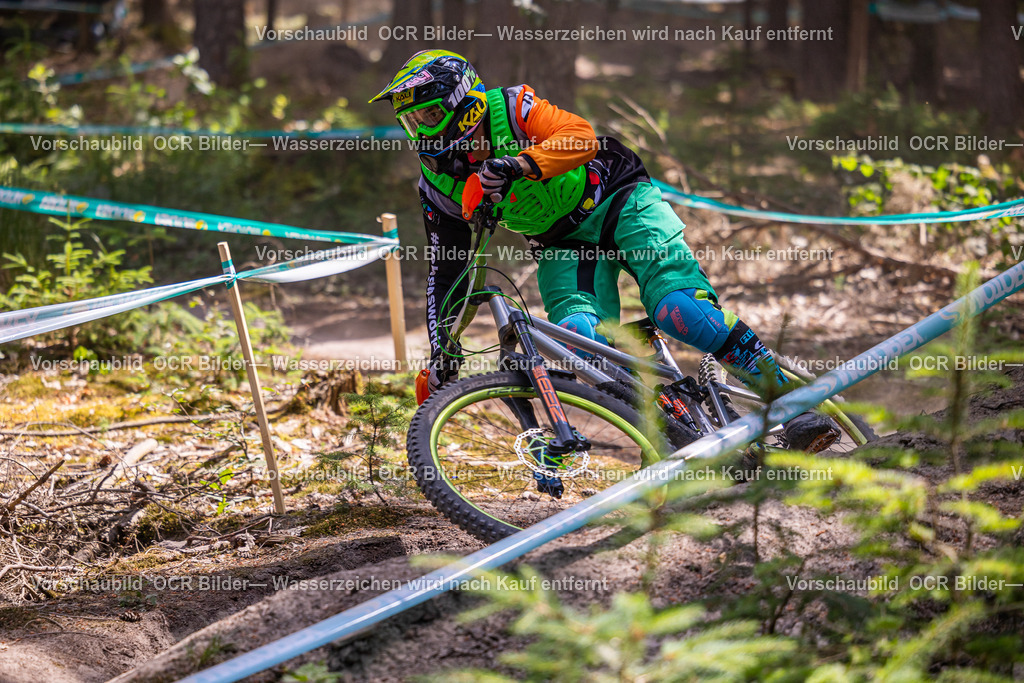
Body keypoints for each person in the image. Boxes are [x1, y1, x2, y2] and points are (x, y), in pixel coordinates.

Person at [370, 49, 839, 452]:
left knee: (680, 311)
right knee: (579, 340)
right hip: (563, 242)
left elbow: (580, 137)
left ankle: (794, 404)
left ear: (463, 105)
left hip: (620, 198)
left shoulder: (511, 108)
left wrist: (521, 163)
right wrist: (441, 351)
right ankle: (677, 428)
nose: (420, 128)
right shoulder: (437, 182)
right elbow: (447, 271)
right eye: (411, 120)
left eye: (428, 115)